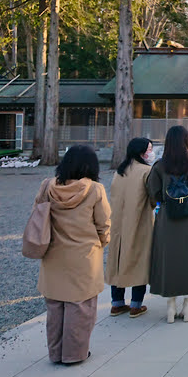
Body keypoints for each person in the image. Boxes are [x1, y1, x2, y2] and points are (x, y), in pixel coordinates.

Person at [34, 145, 110, 365]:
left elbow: (38, 217)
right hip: (84, 257)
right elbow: (104, 224)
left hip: (53, 255)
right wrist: (102, 243)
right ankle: (74, 354)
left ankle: (55, 353)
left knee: (55, 307)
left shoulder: (47, 186)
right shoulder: (95, 189)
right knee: (81, 307)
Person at [146, 125, 188, 323]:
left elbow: (153, 191)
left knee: (169, 259)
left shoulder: (159, 165)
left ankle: (170, 307)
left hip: (167, 217)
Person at [106, 137, 154, 318]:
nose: (151, 152)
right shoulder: (147, 171)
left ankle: (116, 303)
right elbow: (152, 198)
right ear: (142, 152)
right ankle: (136, 304)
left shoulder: (119, 171)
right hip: (140, 222)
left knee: (117, 260)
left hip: (118, 222)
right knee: (138, 261)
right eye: (149, 149)